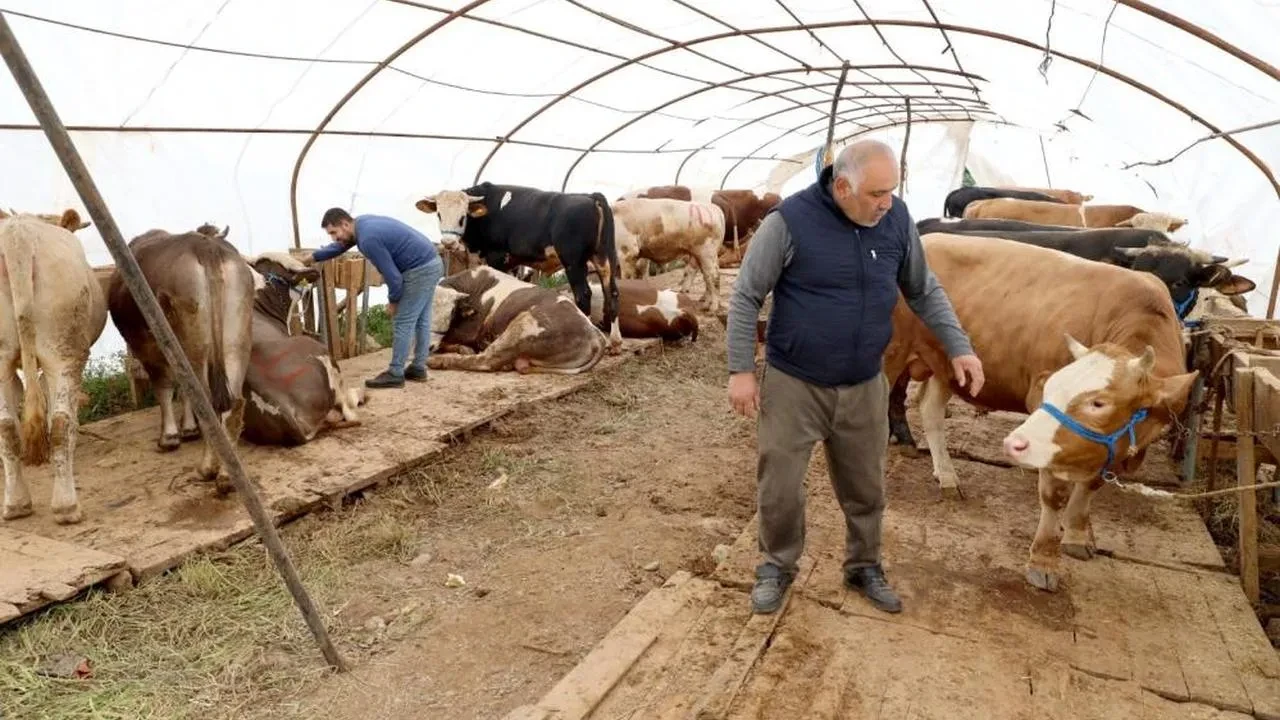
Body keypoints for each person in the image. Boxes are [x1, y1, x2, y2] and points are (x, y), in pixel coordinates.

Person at [725, 140, 984, 616]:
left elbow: (923, 289)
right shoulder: (789, 223)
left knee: (866, 488)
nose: (887, 203)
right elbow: (746, 296)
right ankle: (777, 566)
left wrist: (959, 345)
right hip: (795, 382)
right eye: (877, 193)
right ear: (842, 186)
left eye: (892, 191)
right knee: (779, 486)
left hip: (865, 381)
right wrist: (741, 369)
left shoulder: (896, 220)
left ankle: (863, 565)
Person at [305, 208, 445, 389]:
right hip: (432, 262)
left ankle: (395, 373)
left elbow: (393, 277)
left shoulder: (368, 239)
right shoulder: (361, 224)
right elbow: (340, 246)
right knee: (422, 320)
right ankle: (418, 368)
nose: (333, 238)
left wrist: (394, 301)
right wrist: (312, 257)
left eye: (334, 232)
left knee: (403, 320)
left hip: (419, 270)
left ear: (345, 224)